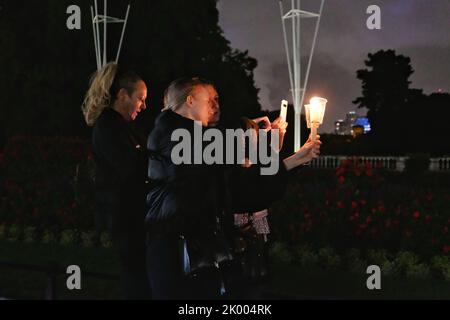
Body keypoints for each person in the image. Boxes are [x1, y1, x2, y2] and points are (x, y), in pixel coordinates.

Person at [145, 77, 320, 299]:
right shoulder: (172, 134)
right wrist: (253, 133)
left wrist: (293, 160)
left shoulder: (200, 141)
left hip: (201, 253)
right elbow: (222, 145)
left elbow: (243, 190)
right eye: (208, 100)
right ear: (190, 101)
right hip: (175, 253)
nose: (213, 106)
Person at [81, 62, 151, 299]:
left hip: (131, 215)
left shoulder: (122, 127)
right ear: (122, 95)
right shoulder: (108, 127)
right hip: (126, 217)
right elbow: (132, 168)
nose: (143, 106)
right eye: (140, 99)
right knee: (136, 278)